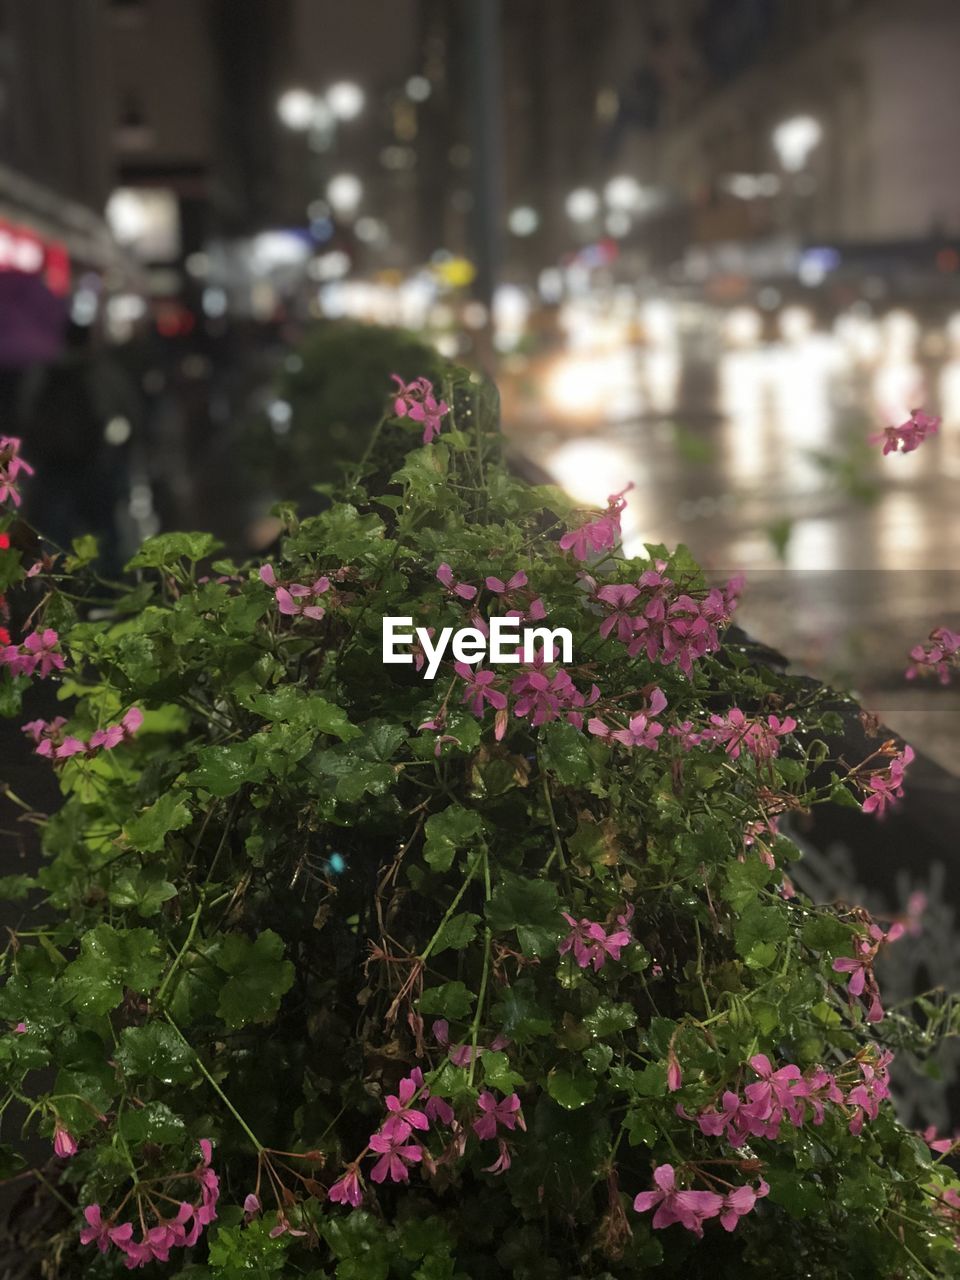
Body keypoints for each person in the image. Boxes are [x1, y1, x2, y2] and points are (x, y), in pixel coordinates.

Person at [17, 318, 142, 573]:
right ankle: (110, 589)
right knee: (105, 531)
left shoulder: (43, 372)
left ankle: (62, 586)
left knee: (56, 536)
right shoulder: (100, 370)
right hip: (95, 463)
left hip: (54, 468)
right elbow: (130, 412)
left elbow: (26, 418)